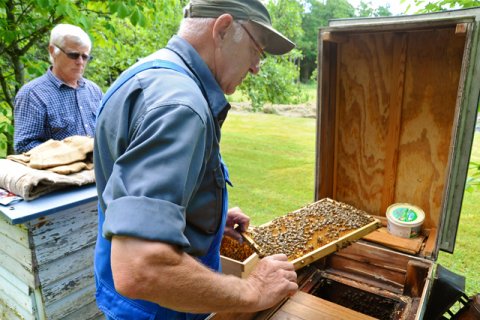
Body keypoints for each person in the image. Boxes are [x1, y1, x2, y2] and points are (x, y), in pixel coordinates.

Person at [93, 0, 297, 319]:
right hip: (161, 311)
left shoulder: (146, 74)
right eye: (257, 49)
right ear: (223, 28)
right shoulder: (180, 105)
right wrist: (253, 290)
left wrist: (205, 219)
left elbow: (131, 192)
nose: (257, 66)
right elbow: (141, 267)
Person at [13, 23, 102, 154]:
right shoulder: (33, 94)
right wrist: (73, 152)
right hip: (57, 173)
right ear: (52, 51)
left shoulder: (94, 90)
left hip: (97, 171)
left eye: (85, 57)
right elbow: (24, 146)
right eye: (73, 55)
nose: (80, 62)